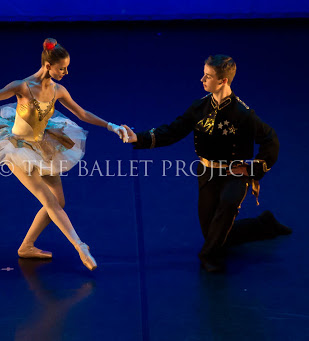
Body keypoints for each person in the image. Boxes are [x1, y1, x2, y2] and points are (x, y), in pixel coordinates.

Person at [0, 38, 128, 271]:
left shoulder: (58, 90)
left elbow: (82, 113)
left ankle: (27, 246)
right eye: (62, 68)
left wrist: (111, 126)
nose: (66, 72)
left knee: (59, 201)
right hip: (18, 149)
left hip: (43, 145)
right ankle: (80, 246)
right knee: (50, 201)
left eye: (66, 67)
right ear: (48, 66)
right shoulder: (23, 86)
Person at [122, 55, 290, 272]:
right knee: (215, 232)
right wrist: (139, 137)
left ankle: (209, 257)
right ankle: (263, 225)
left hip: (234, 173)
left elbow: (270, 139)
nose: (202, 79)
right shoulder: (199, 107)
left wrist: (253, 168)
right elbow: (174, 130)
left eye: (208, 76)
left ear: (223, 81)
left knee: (227, 207)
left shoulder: (243, 114)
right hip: (207, 172)